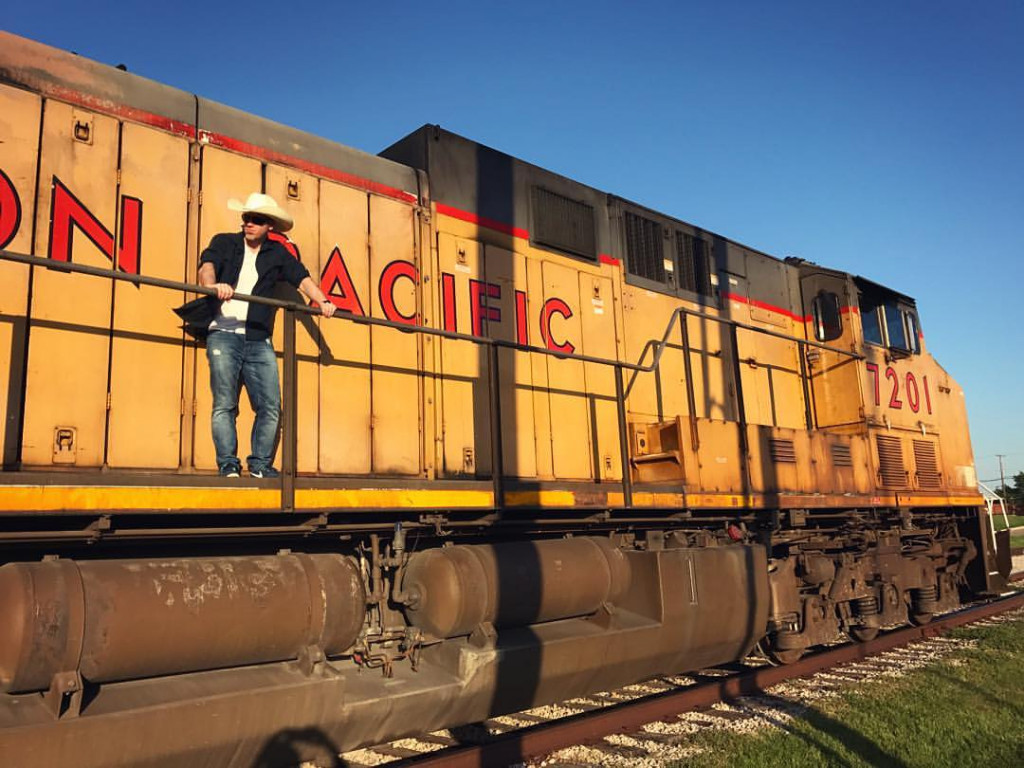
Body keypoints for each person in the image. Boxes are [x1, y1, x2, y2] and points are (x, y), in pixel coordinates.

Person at [198, 193, 336, 478]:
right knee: (224, 404)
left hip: (258, 338)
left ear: (269, 225)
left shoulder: (277, 254)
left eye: (257, 220)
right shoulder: (224, 242)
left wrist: (322, 301)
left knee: (271, 406)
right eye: (246, 218)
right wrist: (212, 286)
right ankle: (228, 464)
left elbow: (301, 278)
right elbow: (206, 266)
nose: (249, 223)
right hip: (223, 332)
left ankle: (260, 465)